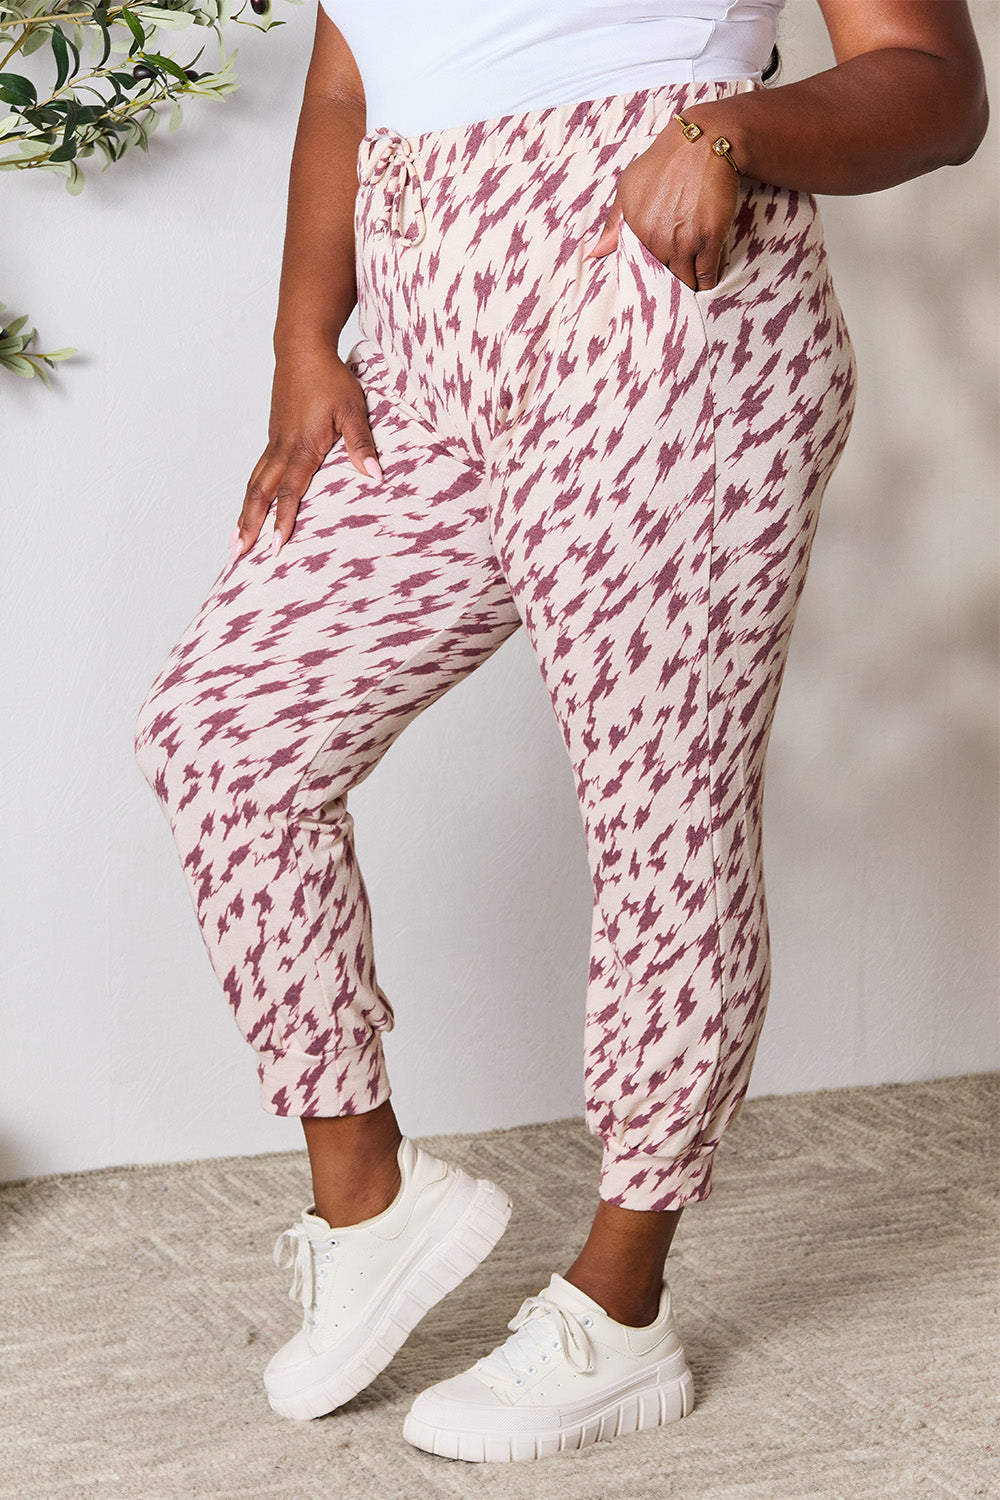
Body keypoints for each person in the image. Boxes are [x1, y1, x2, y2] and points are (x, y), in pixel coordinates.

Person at [132, 0, 987, 1465]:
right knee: (224, 735)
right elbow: (345, 84)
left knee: (661, 810)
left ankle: (620, 1306)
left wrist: (731, 131)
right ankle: (371, 1206)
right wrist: (304, 342)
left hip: (660, 301)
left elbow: (935, 86)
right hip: (429, 336)